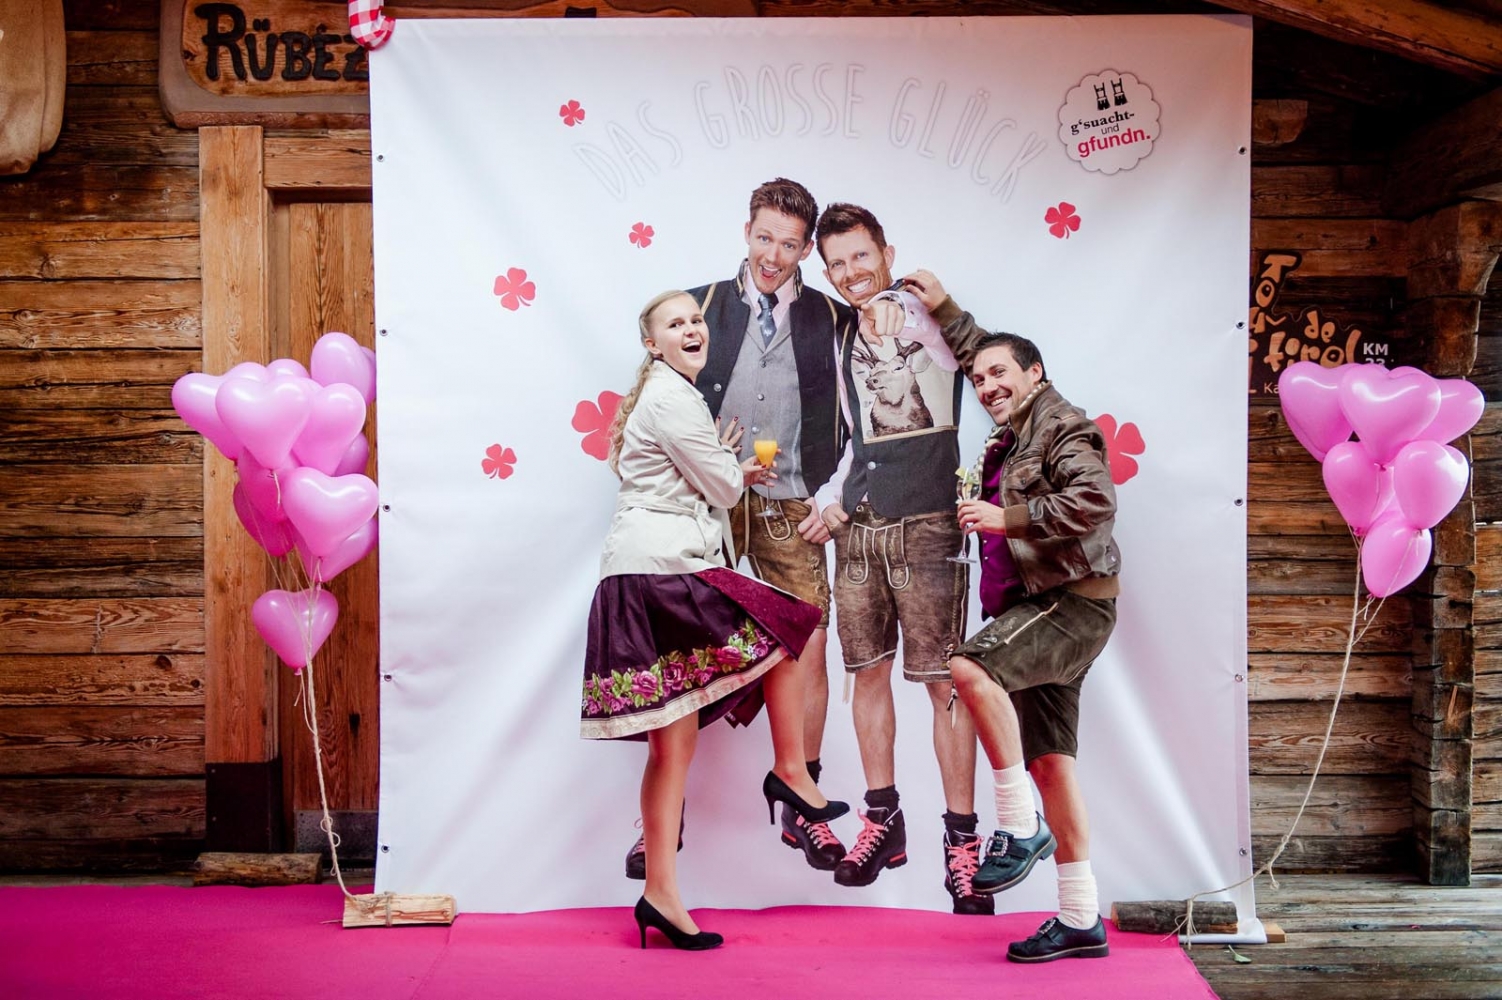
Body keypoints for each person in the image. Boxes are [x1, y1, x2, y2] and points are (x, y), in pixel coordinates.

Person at [582, 290, 849, 950]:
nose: (691, 328)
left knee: (671, 747)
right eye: (674, 323)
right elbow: (724, 488)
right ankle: (790, 771)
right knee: (789, 625)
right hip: (662, 569)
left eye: (695, 319)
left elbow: (707, 481)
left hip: (638, 571)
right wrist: (733, 469)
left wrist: (727, 469)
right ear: (653, 344)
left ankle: (660, 895)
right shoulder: (674, 399)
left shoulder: (670, 397)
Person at [625, 178, 855, 878]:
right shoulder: (696, 309)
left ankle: (801, 796)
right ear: (746, 232)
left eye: (789, 244)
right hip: (708, 503)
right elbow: (651, 402)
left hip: (792, 503)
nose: (773, 256)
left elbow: (863, 411)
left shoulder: (832, 318)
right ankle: (660, 819)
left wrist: (836, 493)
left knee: (808, 639)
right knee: (680, 651)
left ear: (807, 249)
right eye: (764, 239)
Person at [907, 271, 1121, 962]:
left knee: (969, 667)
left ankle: (1018, 824)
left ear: (1037, 373)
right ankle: (1081, 918)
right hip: (1037, 608)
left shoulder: (1062, 424)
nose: (987, 385)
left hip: (1067, 603)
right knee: (1051, 763)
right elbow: (985, 354)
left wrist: (1009, 517)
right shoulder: (1016, 424)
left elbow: (1095, 500)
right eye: (978, 379)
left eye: (1002, 374)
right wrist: (944, 308)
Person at [810, 203, 988, 915]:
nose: (852, 272)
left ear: (887, 252)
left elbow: (945, 341)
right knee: (865, 673)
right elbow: (854, 437)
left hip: (931, 520)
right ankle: (882, 819)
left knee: (945, 682)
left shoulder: (927, 315)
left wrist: (906, 308)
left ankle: (963, 842)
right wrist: (831, 496)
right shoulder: (837, 336)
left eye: (862, 256)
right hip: (860, 524)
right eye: (838, 263)